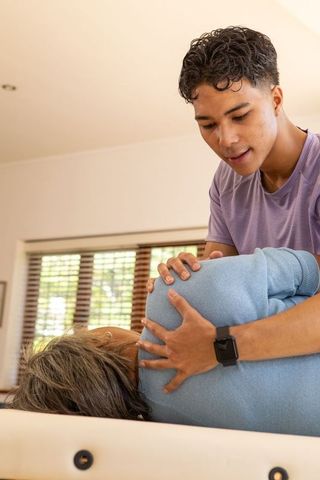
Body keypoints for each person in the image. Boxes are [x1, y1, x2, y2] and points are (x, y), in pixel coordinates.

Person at [141, 26, 320, 393]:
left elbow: (221, 335)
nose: (226, 140)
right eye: (208, 125)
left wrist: (222, 346)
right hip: (268, 384)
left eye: (240, 116)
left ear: (275, 99)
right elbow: (222, 293)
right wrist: (183, 287)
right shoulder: (227, 182)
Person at [9, 247, 320, 436]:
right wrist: (211, 276)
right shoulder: (172, 292)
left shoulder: (172, 425)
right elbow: (311, 270)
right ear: (101, 342)